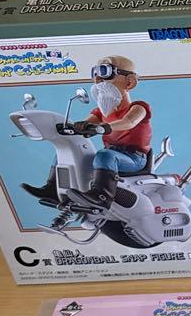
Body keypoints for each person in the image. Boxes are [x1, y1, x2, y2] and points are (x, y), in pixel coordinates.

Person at [21, 55, 151, 210]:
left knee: (105, 155)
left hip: (134, 158)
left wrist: (105, 127)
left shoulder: (138, 107)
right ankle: (52, 188)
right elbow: (88, 122)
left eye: (105, 72)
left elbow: (128, 122)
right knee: (67, 148)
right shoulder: (102, 111)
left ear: (129, 82)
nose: (97, 80)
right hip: (111, 155)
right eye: (95, 73)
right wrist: (77, 127)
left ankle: (102, 196)